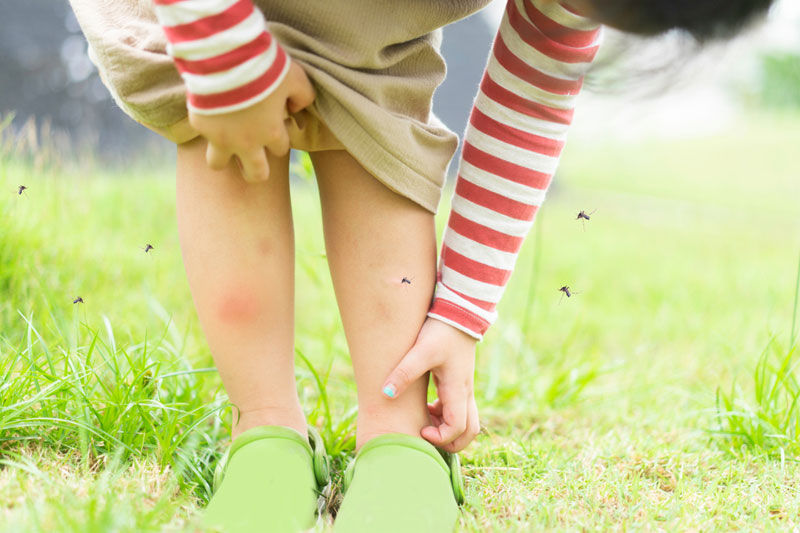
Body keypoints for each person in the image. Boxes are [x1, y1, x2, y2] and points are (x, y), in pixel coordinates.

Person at [66, 0, 774, 530]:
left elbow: (532, 91)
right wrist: (220, 48)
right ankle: (266, 426)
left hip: (366, 19)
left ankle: (398, 438)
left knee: (378, 123)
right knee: (222, 131)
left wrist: (462, 308)